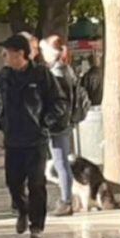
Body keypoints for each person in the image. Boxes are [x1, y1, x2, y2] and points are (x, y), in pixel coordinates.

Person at [0, 34, 67, 238]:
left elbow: (59, 101)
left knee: (36, 183)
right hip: (13, 139)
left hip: (36, 139)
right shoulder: (3, 77)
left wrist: (46, 122)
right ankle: (22, 209)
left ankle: (37, 225)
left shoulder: (41, 74)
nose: (4, 56)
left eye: (7, 52)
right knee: (13, 182)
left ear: (20, 54)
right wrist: (1, 124)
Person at [41, 36, 78, 215]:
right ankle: (67, 199)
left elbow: (58, 102)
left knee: (61, 162)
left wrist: (48, 120)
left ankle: (66, 201)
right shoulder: (66, 70)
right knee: (61, 162)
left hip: (58, 125)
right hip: (64, 122)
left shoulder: (57, 73)